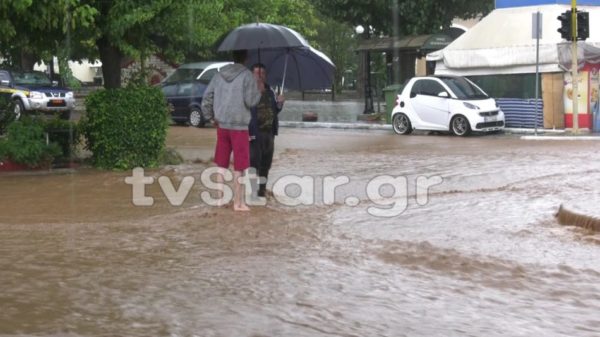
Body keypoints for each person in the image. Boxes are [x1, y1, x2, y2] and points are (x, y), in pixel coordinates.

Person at [201, 50, 261, 211]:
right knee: (240, 166)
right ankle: (238, 203)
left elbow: (207, 97)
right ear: (246, 58)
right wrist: (258, 89)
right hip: (239, 126)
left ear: (232, 57)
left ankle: (219, 200)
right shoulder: (247, 76)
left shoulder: (218, 75)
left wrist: (210, 117)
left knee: (221, 163)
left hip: (222, 125)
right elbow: (251, 101)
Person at [248, 63, 285, 198]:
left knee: (266, 164)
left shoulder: (270, 92)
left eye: (262, 73)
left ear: (265, 75)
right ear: (252, 75)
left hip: (269, 134)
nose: (260, 76)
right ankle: (252, 192)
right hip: (253, 135)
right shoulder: (248, 92)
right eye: (257, 73)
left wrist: (280, 103)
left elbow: (274, 111)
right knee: (253, 164)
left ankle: (262, 191)